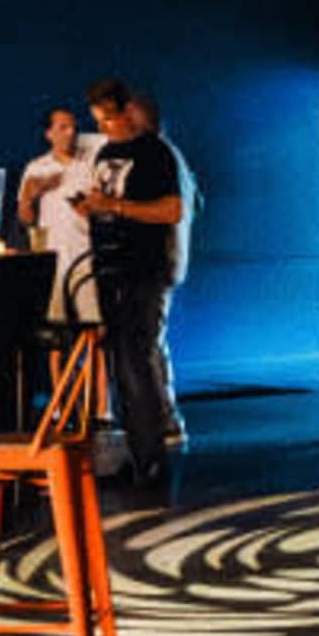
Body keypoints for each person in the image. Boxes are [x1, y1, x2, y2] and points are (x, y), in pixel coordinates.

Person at [78, 78, 188, 484]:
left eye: (107, 119)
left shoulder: (155, 154)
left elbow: (172, 210)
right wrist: (94, 210)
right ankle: (137, 450)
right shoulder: (105, 154)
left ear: (126, 113)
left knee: (136, 360)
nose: (103, 128)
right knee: (118, 363)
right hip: (109, 268)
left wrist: (117, 207)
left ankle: (151, 455)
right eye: (98, 121)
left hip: (143, 270)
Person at [16, 102, 98, 323]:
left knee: (93, 321)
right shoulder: (36, 168)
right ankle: (57, 359)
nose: (70, 133)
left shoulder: (89, 165)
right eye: (62, 127)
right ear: (49, 134)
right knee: (54, 324)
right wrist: (32, 194)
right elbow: (26, 219)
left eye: (73, 127)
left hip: (85, 255)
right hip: (52, 258)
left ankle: (95, 358)